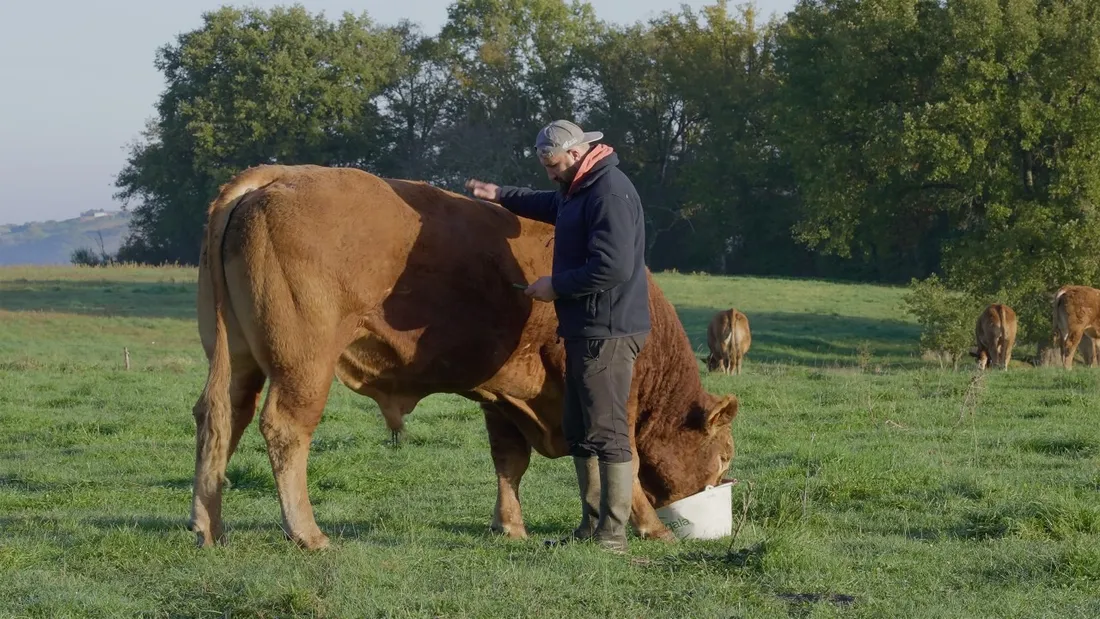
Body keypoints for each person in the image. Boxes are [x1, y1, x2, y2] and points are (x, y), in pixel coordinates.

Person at [465, 120, 651, 553]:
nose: (550, 174)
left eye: (553, 165)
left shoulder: (610, 193)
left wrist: (556, 285)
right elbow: (554, 204)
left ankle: (612, 535)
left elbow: (614, 267)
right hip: (585, 327)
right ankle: (590, 526)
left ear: (576, 152)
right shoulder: (579, 187)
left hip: (609, 330)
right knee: (580, 427)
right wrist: (502, 196)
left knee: (606, 430)